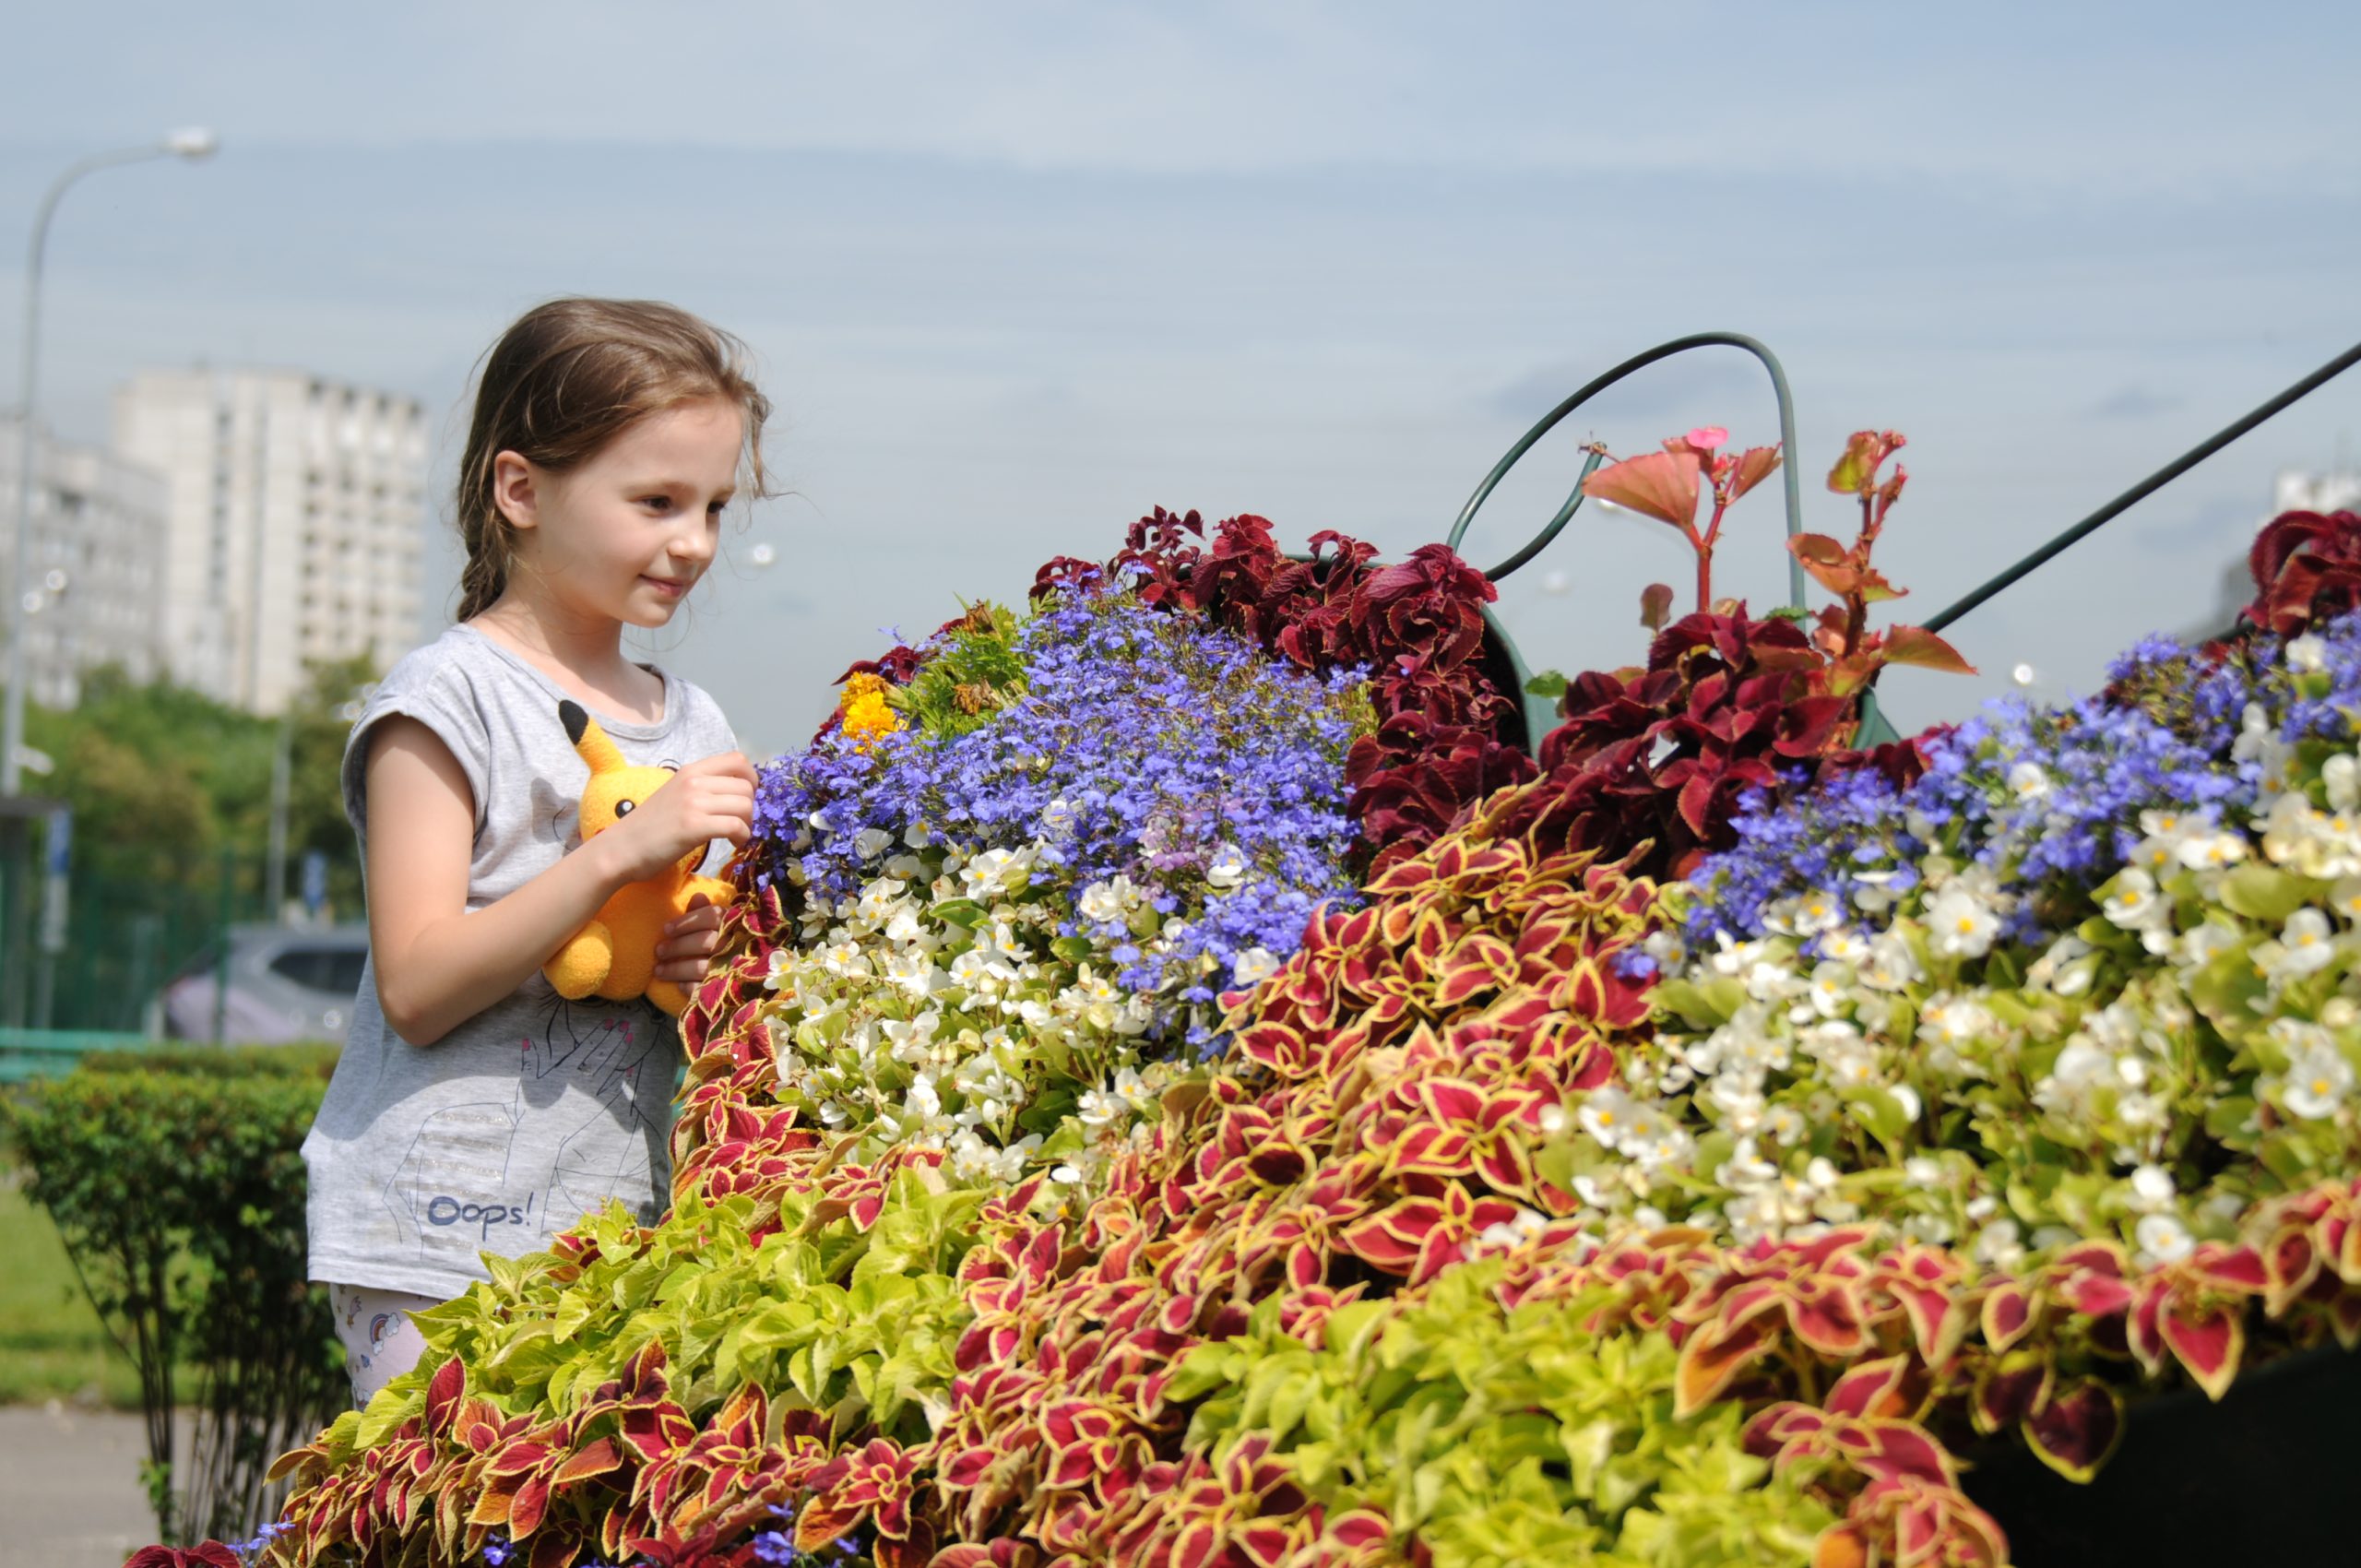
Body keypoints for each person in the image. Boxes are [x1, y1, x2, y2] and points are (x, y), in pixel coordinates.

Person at [301, 298, 767, 1405]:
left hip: (626, 1238)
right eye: (655, 501)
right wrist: (617, 853)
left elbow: (676, 973)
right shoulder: (445, 699)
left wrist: (697, 964)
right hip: (429, 1247)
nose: (693, 541)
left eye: (711, 505)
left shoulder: (693, 721)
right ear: (521, 490)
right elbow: (417, 983)